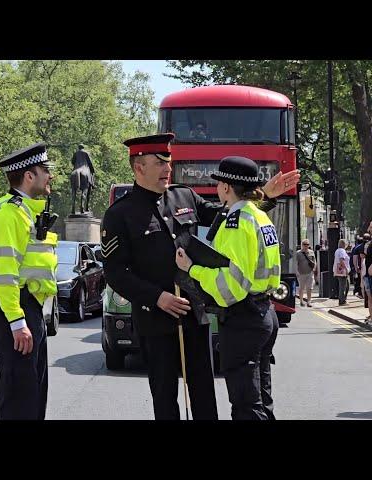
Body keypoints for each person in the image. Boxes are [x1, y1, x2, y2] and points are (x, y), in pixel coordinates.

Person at [101, 135, 299, 420]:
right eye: (159, 163)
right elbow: (115, 273)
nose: (168, 169)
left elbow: (228, 216)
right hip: (156, 318)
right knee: (165, 396)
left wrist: (263, 196)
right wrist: (158, 298)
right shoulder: (120, 214)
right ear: (138, 167)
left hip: (195, 313)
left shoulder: (184, 196)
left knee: (204, 394)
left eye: (168, 162)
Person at [176, 156, 281, 420]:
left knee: (246, 405)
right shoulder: (259, 216)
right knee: (261, 401)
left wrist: (192, 268)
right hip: (265, 313)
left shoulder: (236, 223)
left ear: (225, 186)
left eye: (219, 183)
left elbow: (232, 286)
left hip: (243, 319)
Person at [0, 142, 58, 420]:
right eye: (45, 170)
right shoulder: (7, 215)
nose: (51, 176)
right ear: (29, 176)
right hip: (15, 310)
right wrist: (17, 321)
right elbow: (4, 274)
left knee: (33, 400)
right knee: (19, 404)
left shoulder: (25, 212)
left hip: (30, 310)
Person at [294, 239, 317, 307]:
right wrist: (297, 272)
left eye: (307, 244)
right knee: (302, 288)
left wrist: (314, 268)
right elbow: (295, 263)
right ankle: (301, 301)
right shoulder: (298, 253)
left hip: (310, 273)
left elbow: (314, 261)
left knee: (309, 288)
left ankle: (309, 301)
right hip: (301, 273)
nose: (306, 246)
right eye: (304, 244)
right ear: (302, 245)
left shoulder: (311, 252)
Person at [333, 239, 350, 306]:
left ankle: (343, 299)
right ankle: (342, 301)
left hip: (338, 270)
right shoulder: (342, 251)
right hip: (342, 271)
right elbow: (341, 260)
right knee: (343, 286)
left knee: (344, 285)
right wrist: (346, 269)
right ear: (344, 244)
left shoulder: (337, 250)